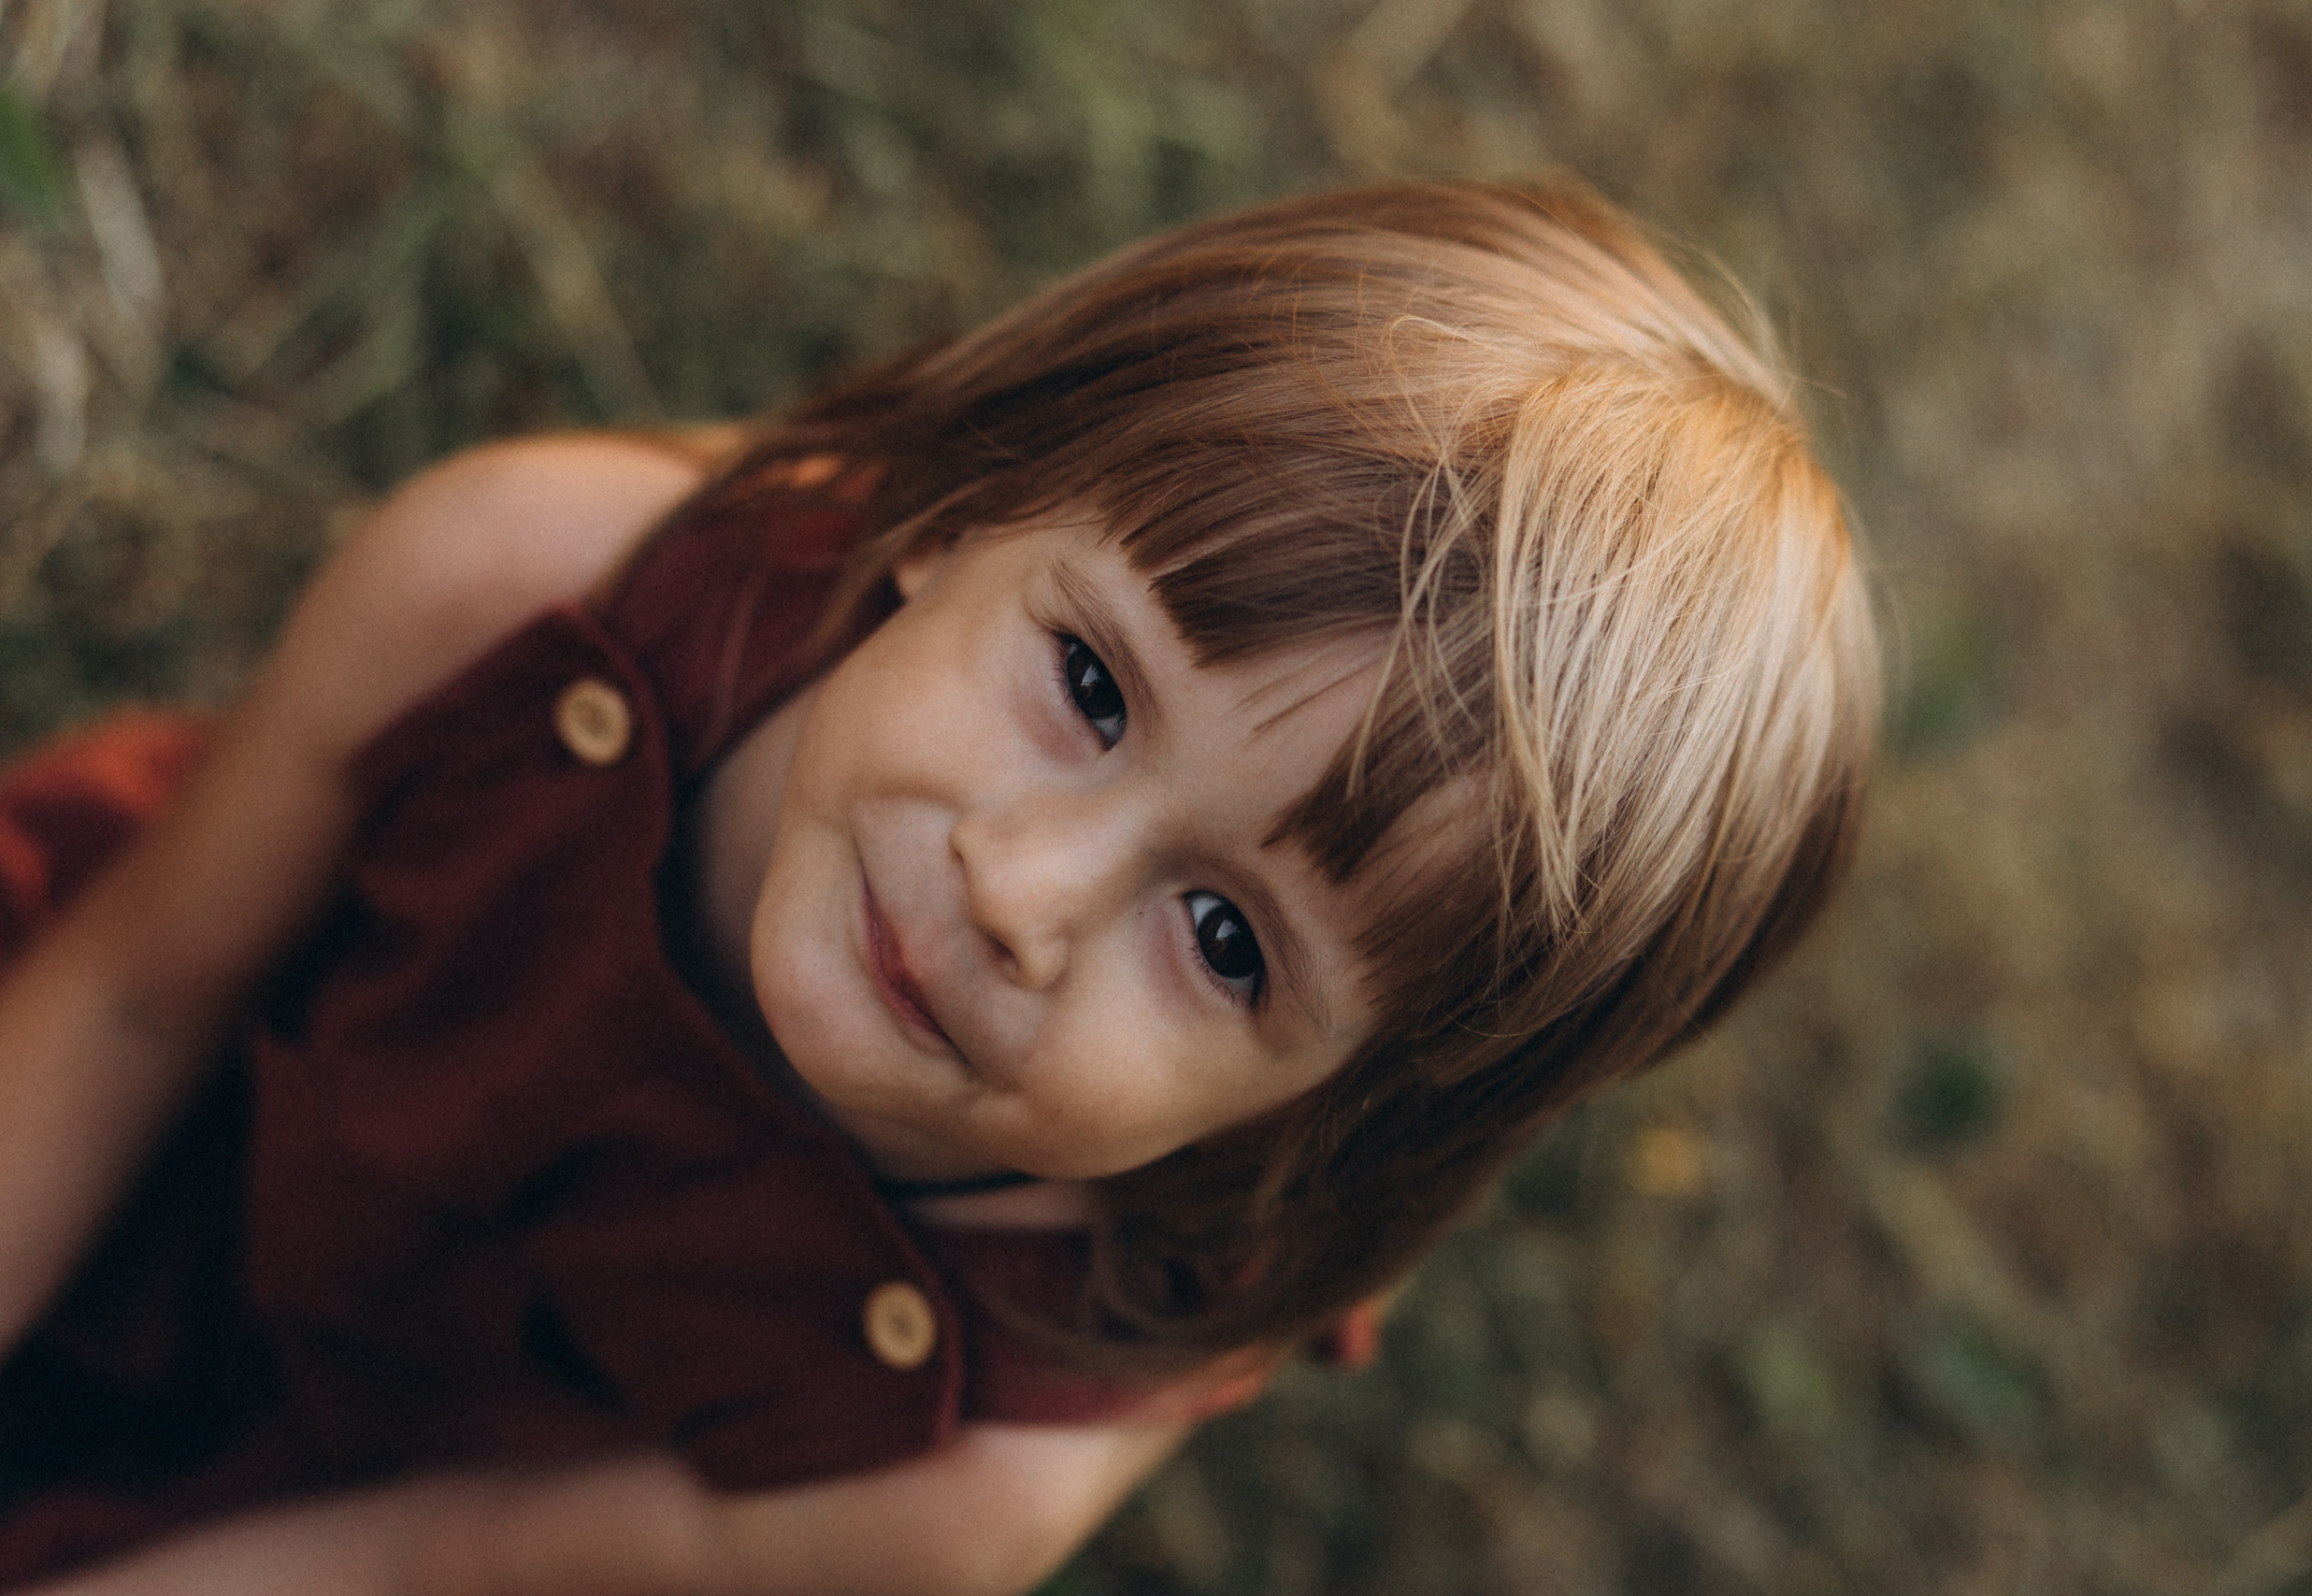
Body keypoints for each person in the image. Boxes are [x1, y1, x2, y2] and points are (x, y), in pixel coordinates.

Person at [0, 180, 1877, 1595]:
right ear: (960, 509)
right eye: (1086, 686)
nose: (1019, 894)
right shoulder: (513, 588)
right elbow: (133, 997)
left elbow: (408, 1565)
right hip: (169, 1103)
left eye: (1225, 941)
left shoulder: (980, 1443)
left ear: (1347, 1092)